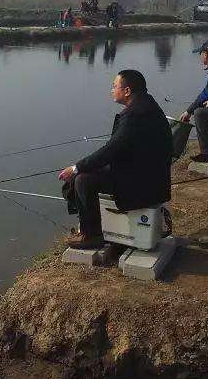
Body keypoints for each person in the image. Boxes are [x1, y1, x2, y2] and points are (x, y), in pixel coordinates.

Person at [57, 70, 173, 249]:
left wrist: (76, 168)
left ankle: (92, 235)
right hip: (146, 173)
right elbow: (118, 149)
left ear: (127, 91)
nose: (111, 90)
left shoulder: (135, 115)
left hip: (144, 183)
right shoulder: (146, 105)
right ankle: (86, 228)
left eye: (114, 86)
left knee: (82, 180)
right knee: (83, 175)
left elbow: (111, 150)